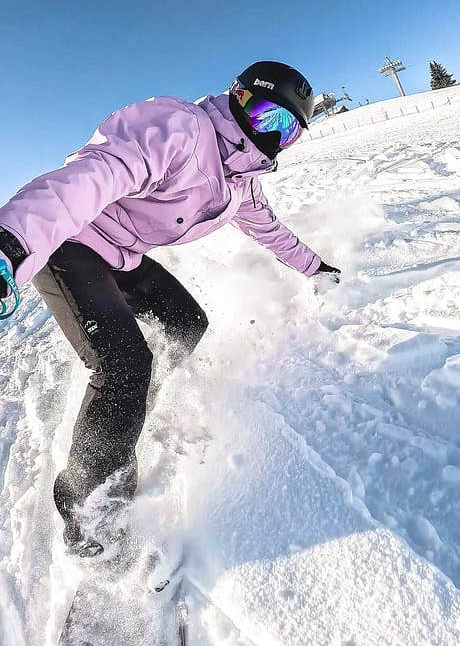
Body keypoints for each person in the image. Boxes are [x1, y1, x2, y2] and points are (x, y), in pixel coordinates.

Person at [0, 61, 341, 557]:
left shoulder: (240, 183)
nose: (270, 135)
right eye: (266, 115)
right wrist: (11, 242)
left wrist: (316, 268)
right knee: (124, 365)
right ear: (239, 99)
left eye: (286, 130)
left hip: (124, 255)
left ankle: (127, 414)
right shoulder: (179, 128)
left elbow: (271, 230)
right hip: (71, 243)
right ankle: (85, 506)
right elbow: (90, 177)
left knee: (187, 324)